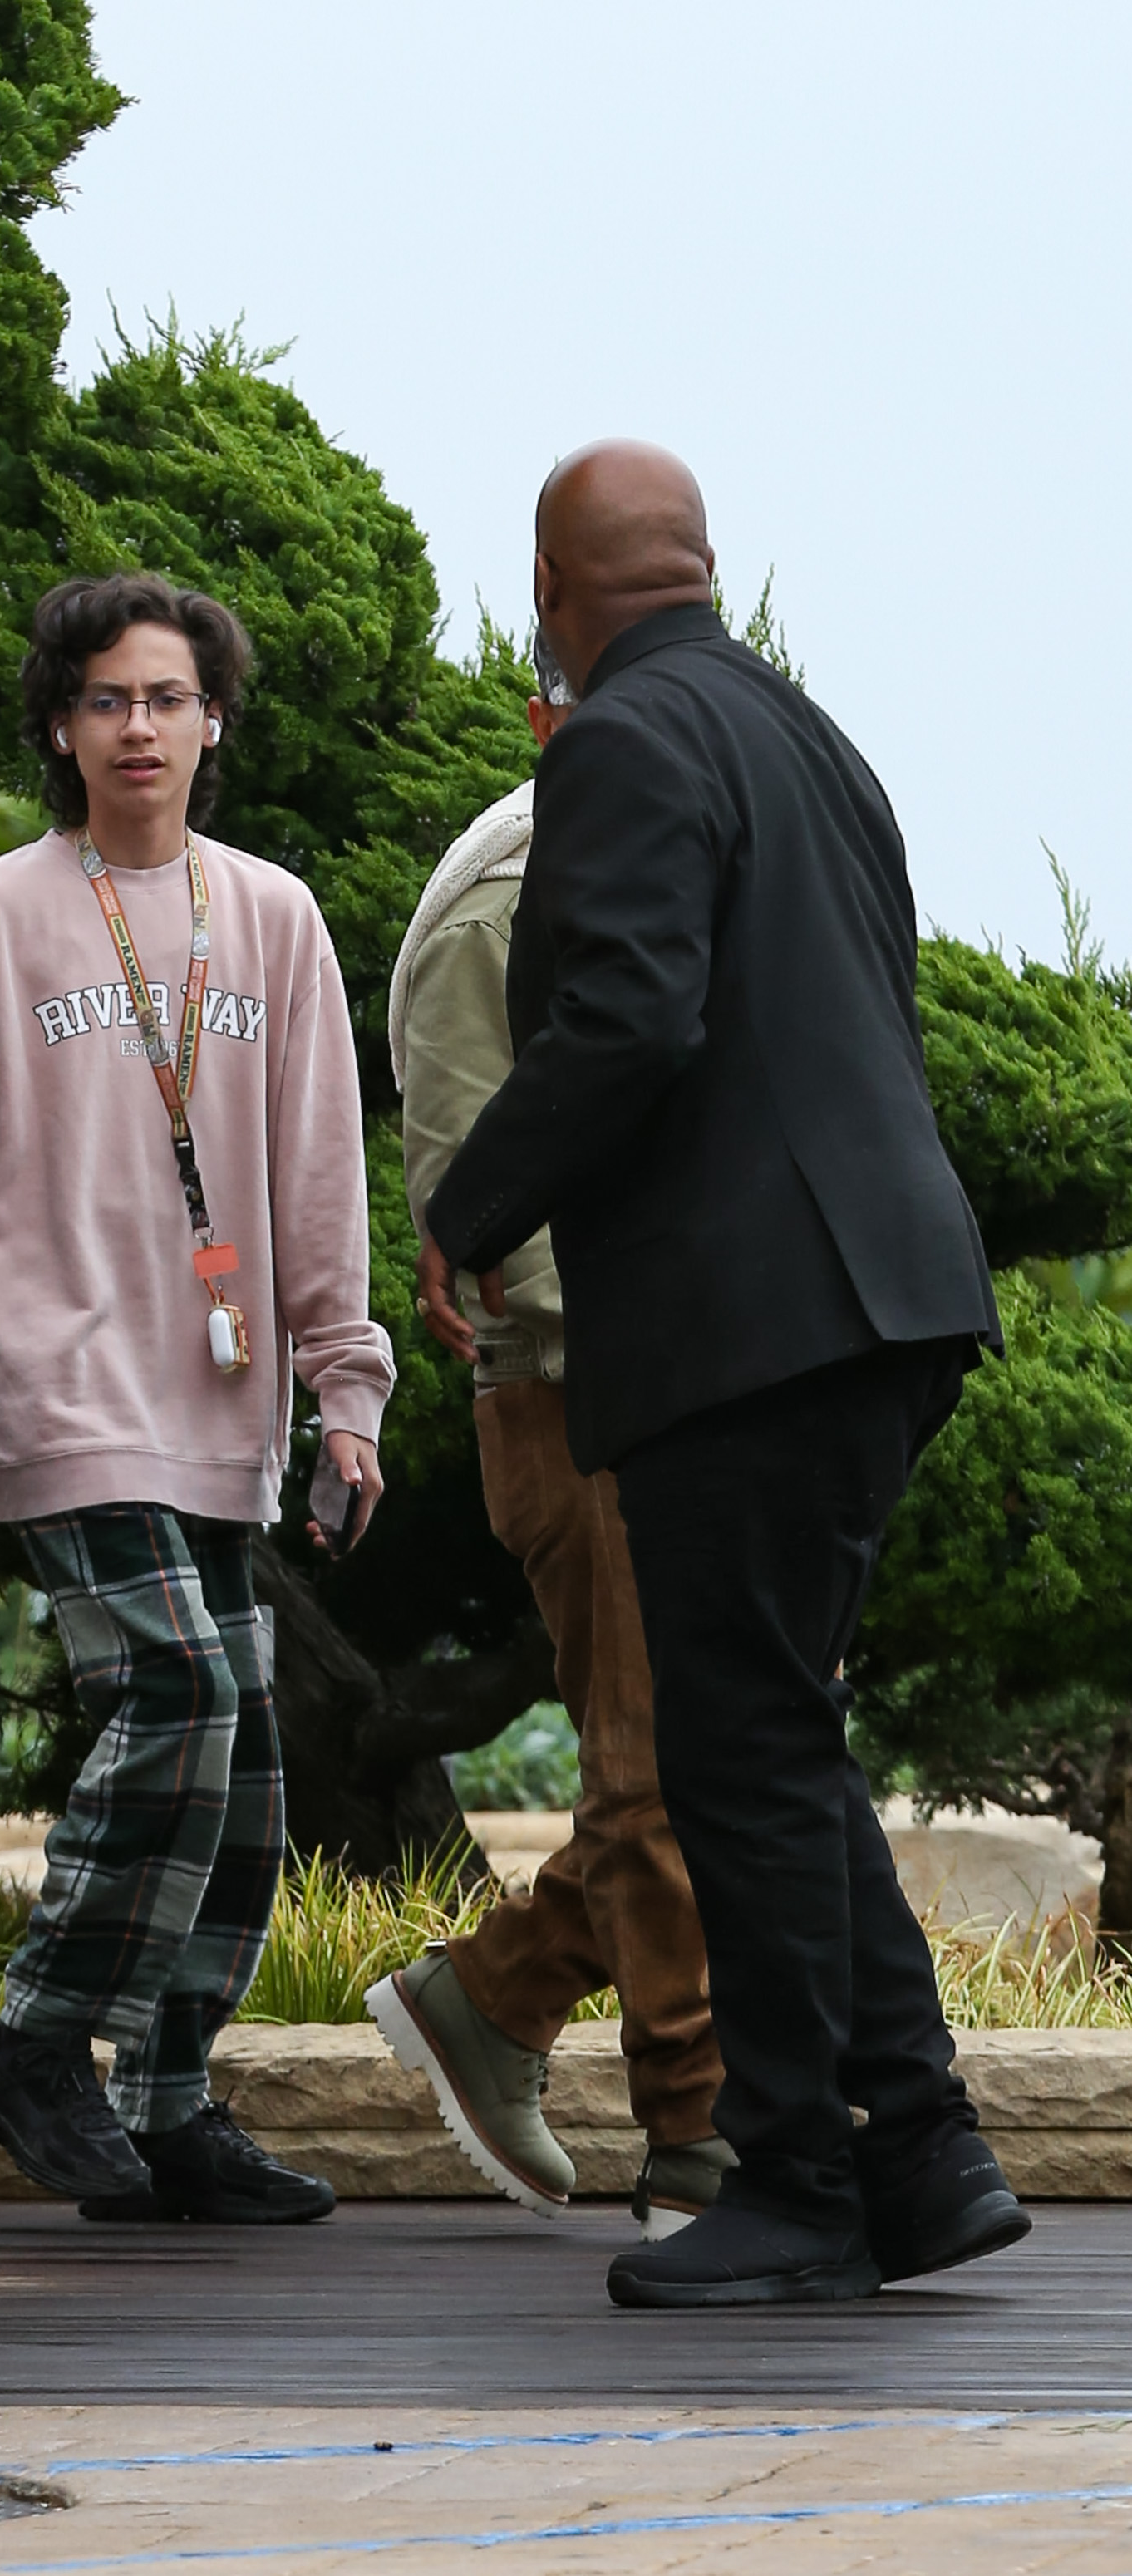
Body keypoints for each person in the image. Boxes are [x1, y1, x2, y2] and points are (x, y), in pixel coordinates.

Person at [418, 442, 1028, 2308]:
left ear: (552, 589)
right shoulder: (806, 732)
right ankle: (915, 2153)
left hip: (744, 1325)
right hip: (887, 1300)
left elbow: (628, 1015)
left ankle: (792, 2183)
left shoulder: (613, 738)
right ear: (699, 560)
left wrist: (467, 1204)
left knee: (733, 1745)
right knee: (776, 1732)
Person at [0, 572, 395, 2225]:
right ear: (59, 725)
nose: (136, 727)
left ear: (211, 722)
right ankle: (36, 2041)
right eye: (105, 699)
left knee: (241, 1756)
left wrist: (345, 1390)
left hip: (221, 1395)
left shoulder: (272, 917)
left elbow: (318, 1172)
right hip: (54, 1374)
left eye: (164, 697)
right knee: (178, 1684)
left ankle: (173, 2099)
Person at [369, 631, 727, 2240]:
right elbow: (479, 1201)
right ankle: (701, 2149)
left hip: (685, 1384)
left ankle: (490, 1994)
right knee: (657, 1780)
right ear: (557, 725)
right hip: (579, 1393)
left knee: (704, 1769)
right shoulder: (501, 893)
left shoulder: (649, 859)